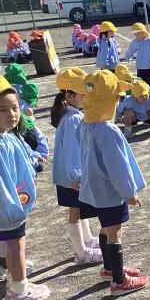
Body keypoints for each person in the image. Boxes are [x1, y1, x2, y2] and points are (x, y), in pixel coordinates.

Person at [78, 69, 148, 295]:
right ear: (112, 100)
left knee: (106, 228)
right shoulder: (108, 130)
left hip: (95, 189)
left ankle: (109, 269)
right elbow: (118, 167)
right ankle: (119, 281)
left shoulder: (86, 124)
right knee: (115, 233)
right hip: (109, 191)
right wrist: (129, 193)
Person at [0, 74, 51, 300]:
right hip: (7, 209)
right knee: (17, 246)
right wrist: (12, 211)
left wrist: (35, 158)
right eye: (3, 110)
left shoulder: (6, 136)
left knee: (12, 245)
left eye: (15, 108)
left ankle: (13, 283)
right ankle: (20, 293)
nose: (12, 114)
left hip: (11, 206)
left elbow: (23, 155)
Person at [50, 67, 102, 265]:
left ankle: (86, 241)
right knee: (75, 210)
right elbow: (73, 151)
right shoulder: (72, 119)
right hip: (72, 177)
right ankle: (81, 253)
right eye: (83, 94)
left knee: (79, 208)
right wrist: (77, 176)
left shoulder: (68, 115)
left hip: (69, 175)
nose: (86, 97)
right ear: (69, 96)